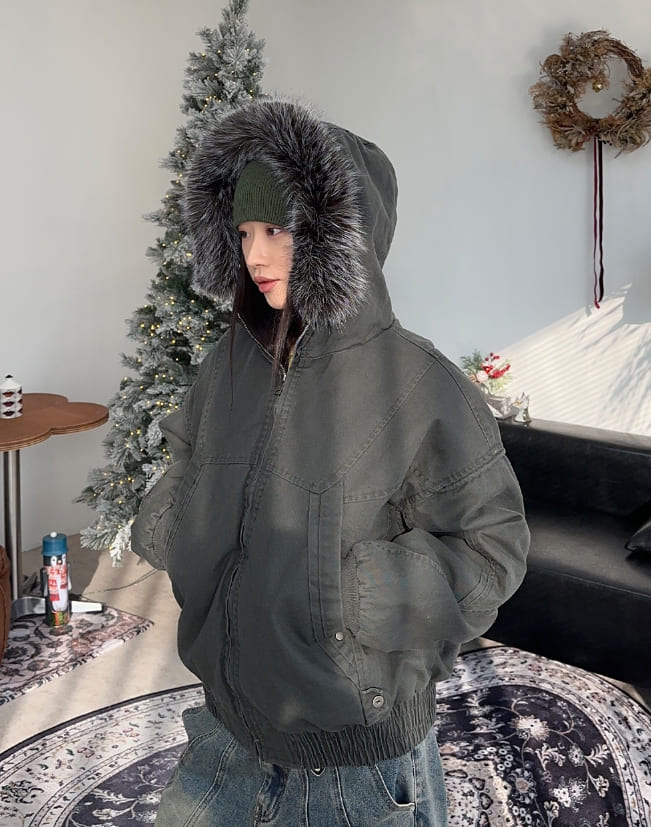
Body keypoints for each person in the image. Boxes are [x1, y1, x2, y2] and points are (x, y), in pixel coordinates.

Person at [131, 97, 529, 826]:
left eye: (278, 229)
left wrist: (356, 594)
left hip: (355, 756)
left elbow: (492, 548)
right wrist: (175, 523)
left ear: (336, 235)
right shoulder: (226, 366)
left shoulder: (418, 382)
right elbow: (186, 459)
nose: (255, 256)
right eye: (243, 233)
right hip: (226, 727)